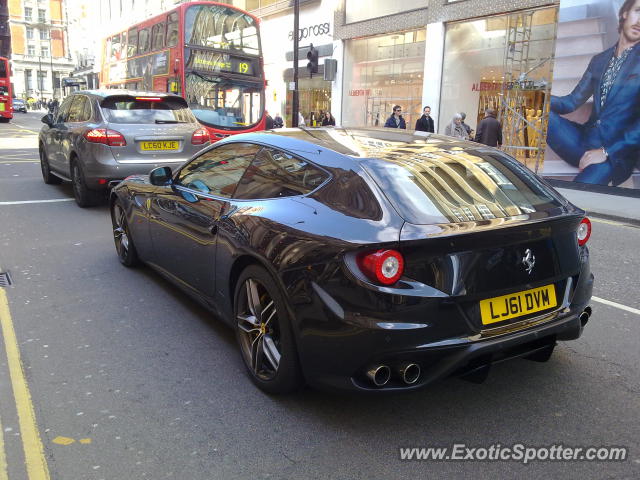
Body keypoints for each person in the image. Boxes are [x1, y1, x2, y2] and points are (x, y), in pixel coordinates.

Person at [546, 0, 640, 186]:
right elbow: (571, 102)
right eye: (638, 11)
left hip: (614, 155)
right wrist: (542, 98)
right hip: (583, 140)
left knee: (578, 196)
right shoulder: (600, 59)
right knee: (543, 114)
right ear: (624, 13)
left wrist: (606, 152)